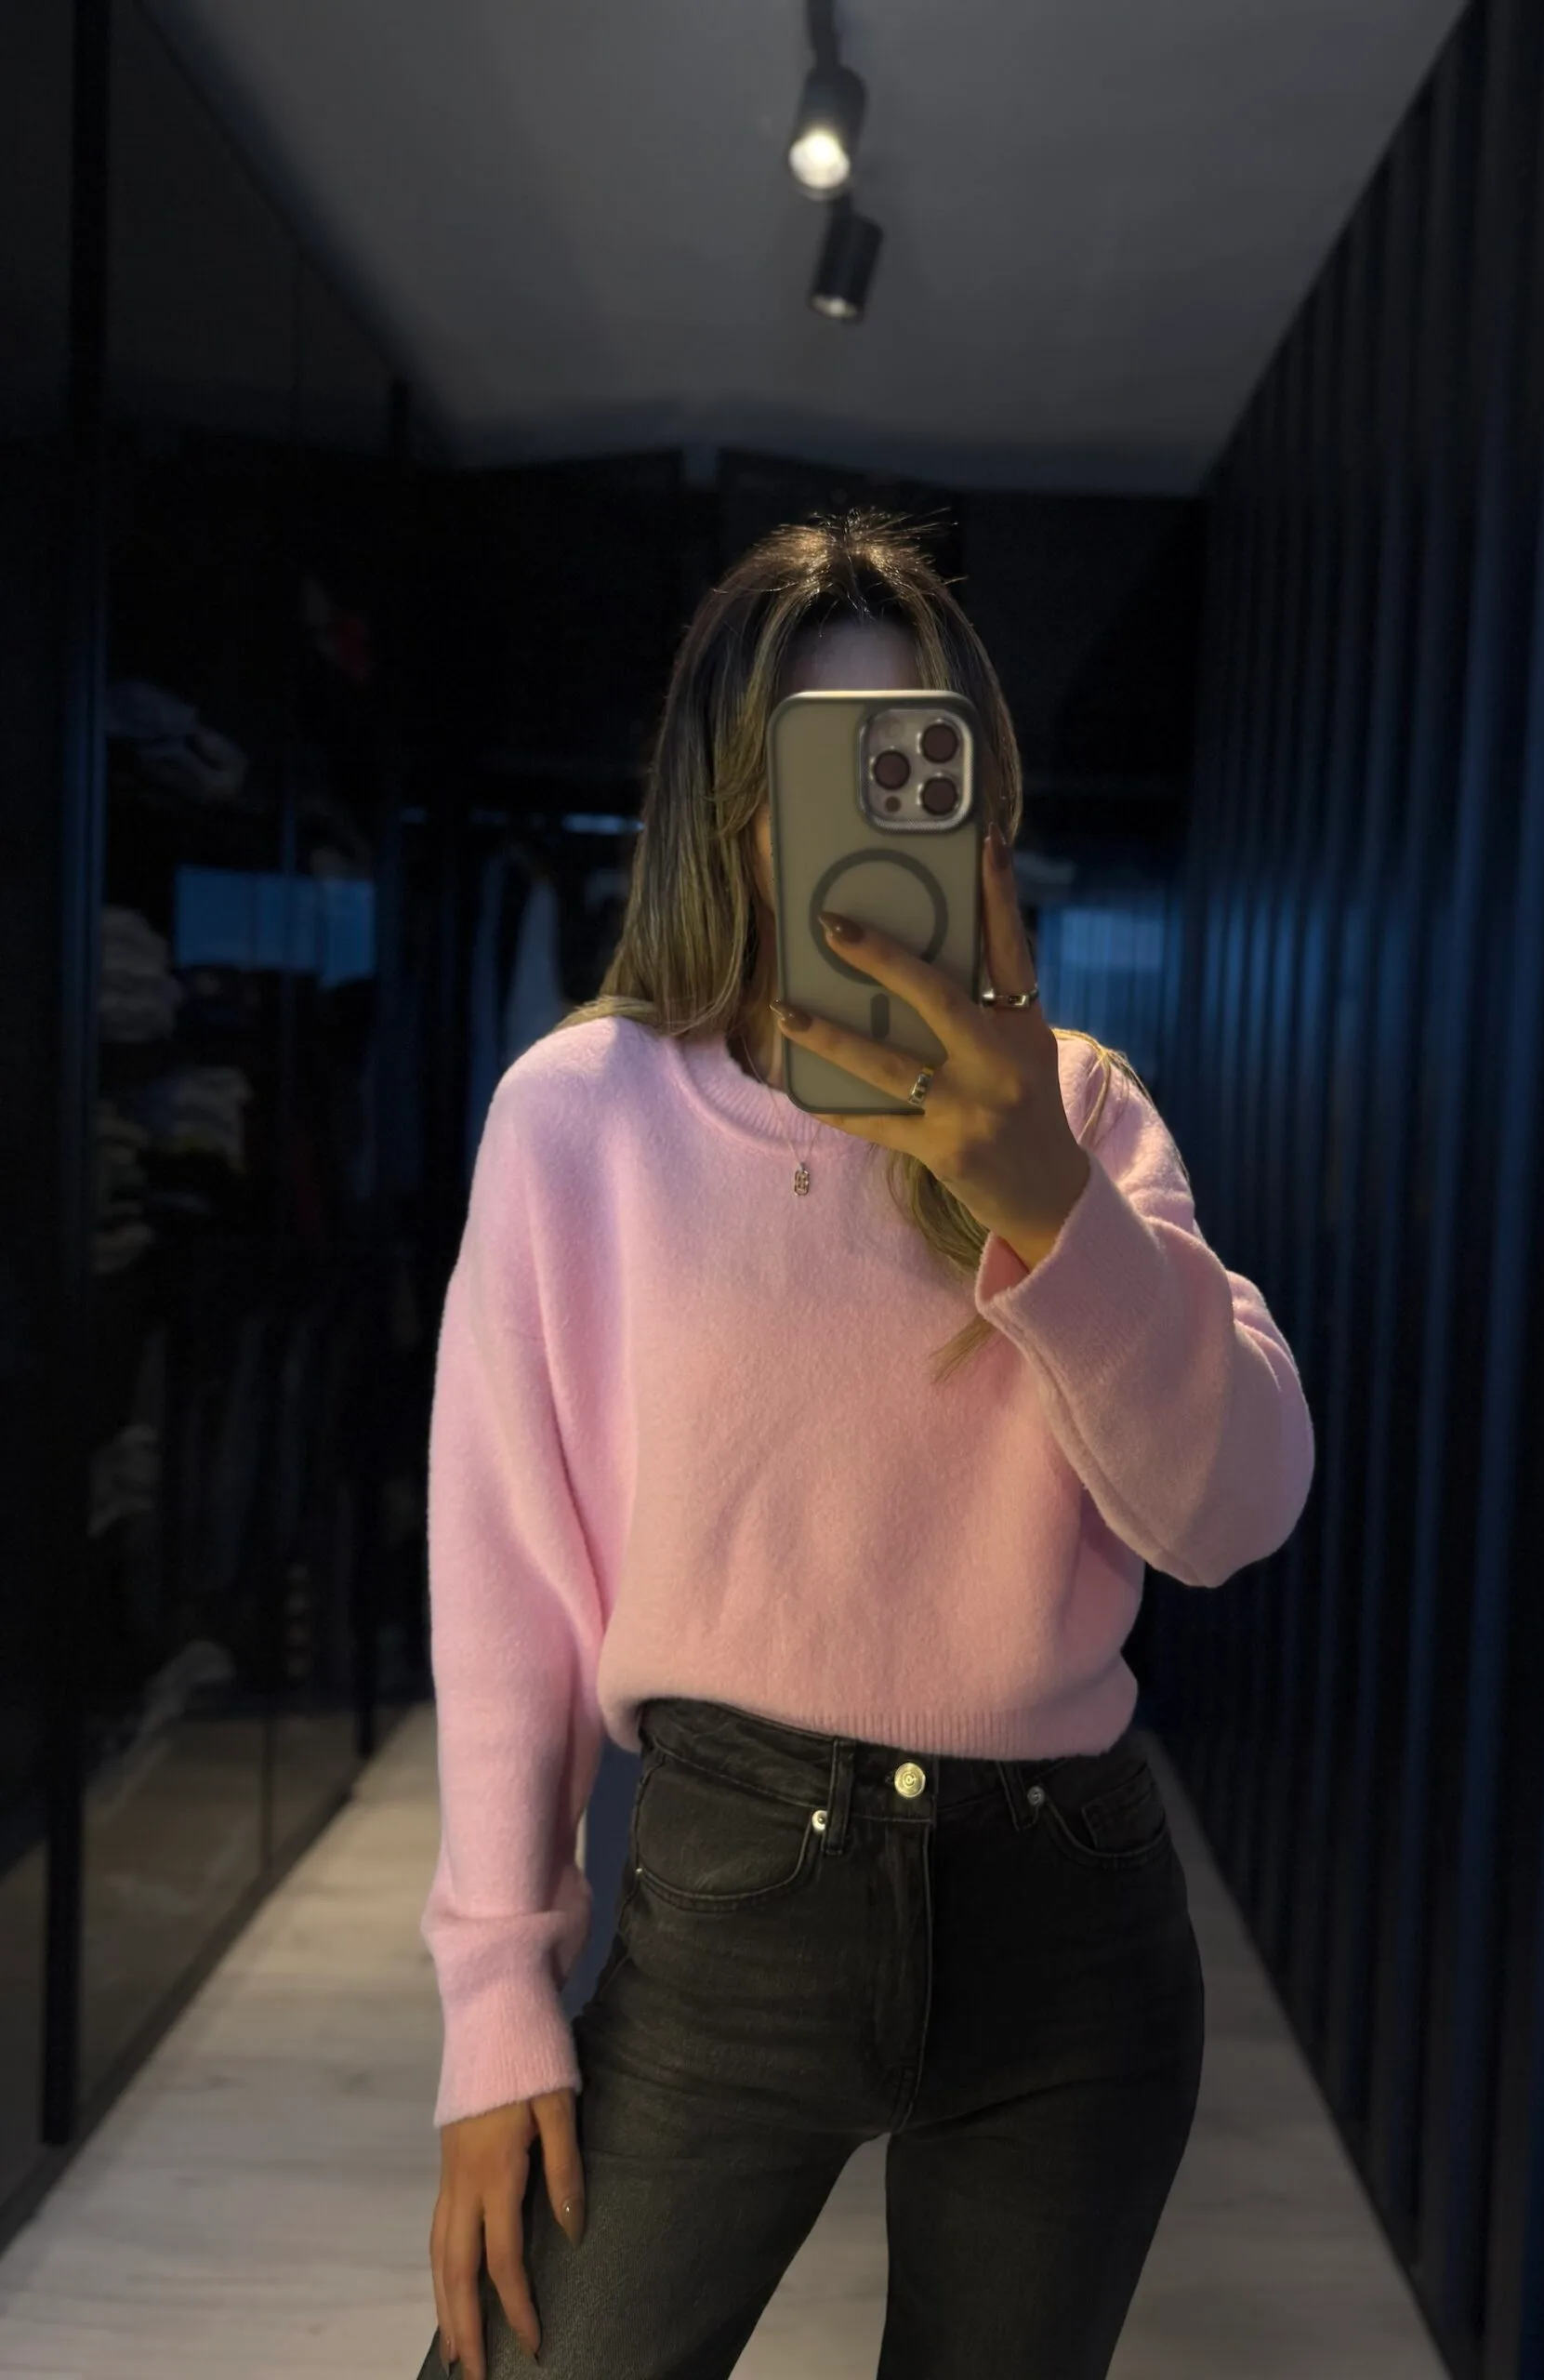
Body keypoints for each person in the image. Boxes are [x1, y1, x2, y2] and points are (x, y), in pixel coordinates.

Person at [417, 512, 1315, 2380]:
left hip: (1071, 1923)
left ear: (982, 808)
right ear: (727, 803)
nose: (865, 816)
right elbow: (510, 1591)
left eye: (917, 759)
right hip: (738, 1898)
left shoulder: (1077, 1113)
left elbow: (1237, 1509)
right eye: (819, 766)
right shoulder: (581, 1116)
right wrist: (496, 1999)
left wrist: (1046, 1201)